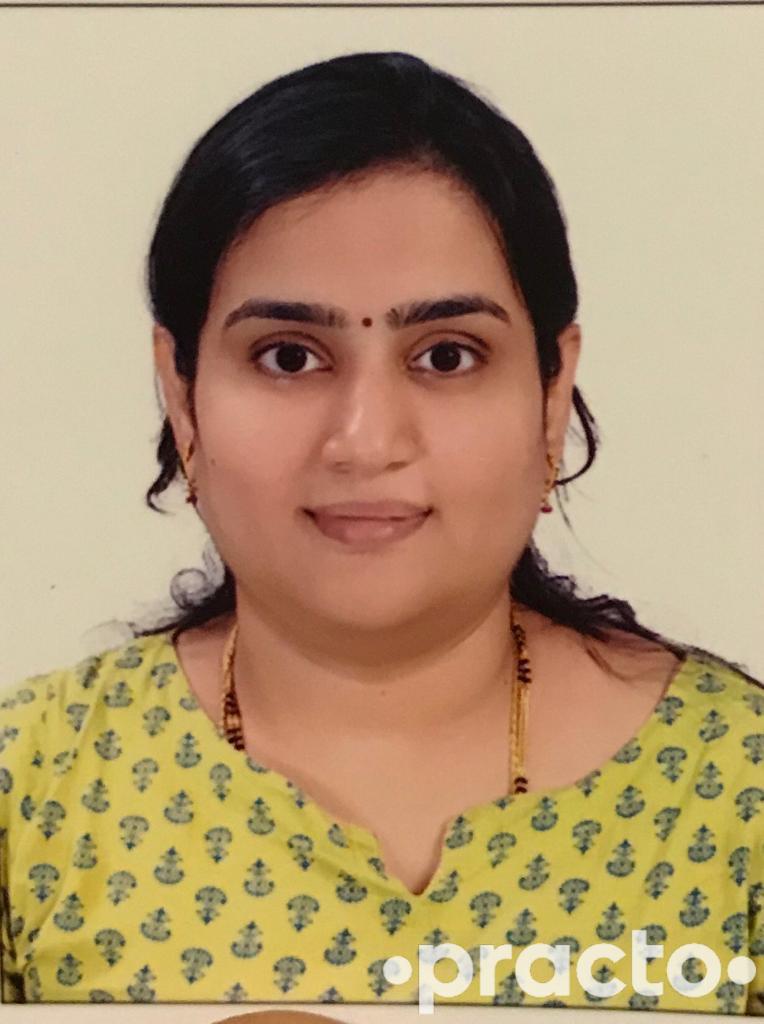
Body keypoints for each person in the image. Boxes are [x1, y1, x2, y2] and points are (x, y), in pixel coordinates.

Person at [1, 51, 761, 1011]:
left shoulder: (736, 791)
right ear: (182, 396)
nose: (365, 441)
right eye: (288, 357)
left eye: (446, 356)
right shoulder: (35, 788)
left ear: (550, 394)